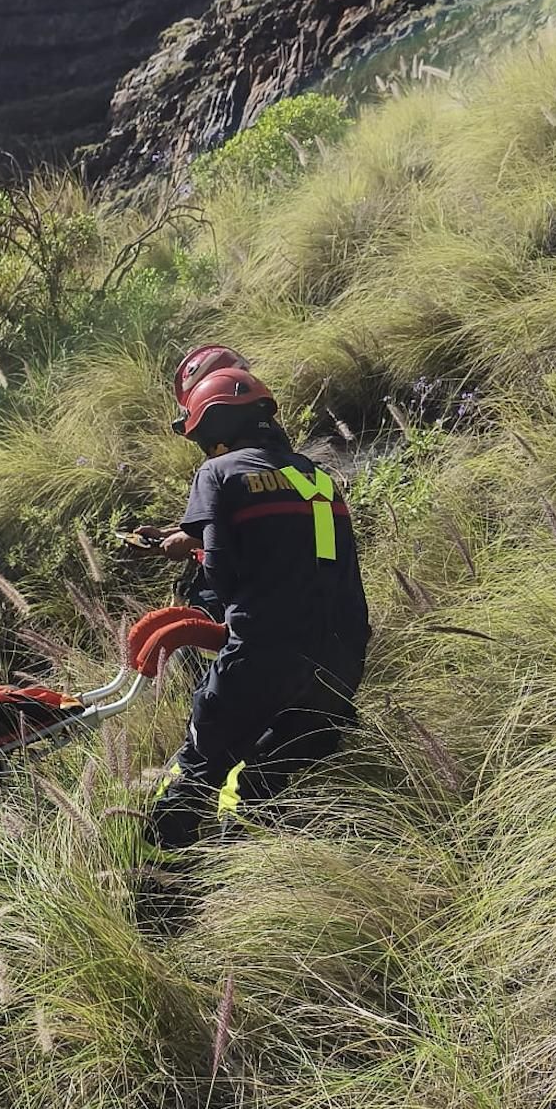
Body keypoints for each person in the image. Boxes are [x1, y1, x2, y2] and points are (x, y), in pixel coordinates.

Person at [142, 361, 370, 850]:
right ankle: (245, 868)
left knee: (198, 768)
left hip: (264, 652)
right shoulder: (320, 478)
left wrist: (198, 556)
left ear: (218, 428)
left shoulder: (218, 473)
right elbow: (310, 555)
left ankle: (156, 874)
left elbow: (221, 573)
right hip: (342, 663)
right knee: (262, 787)